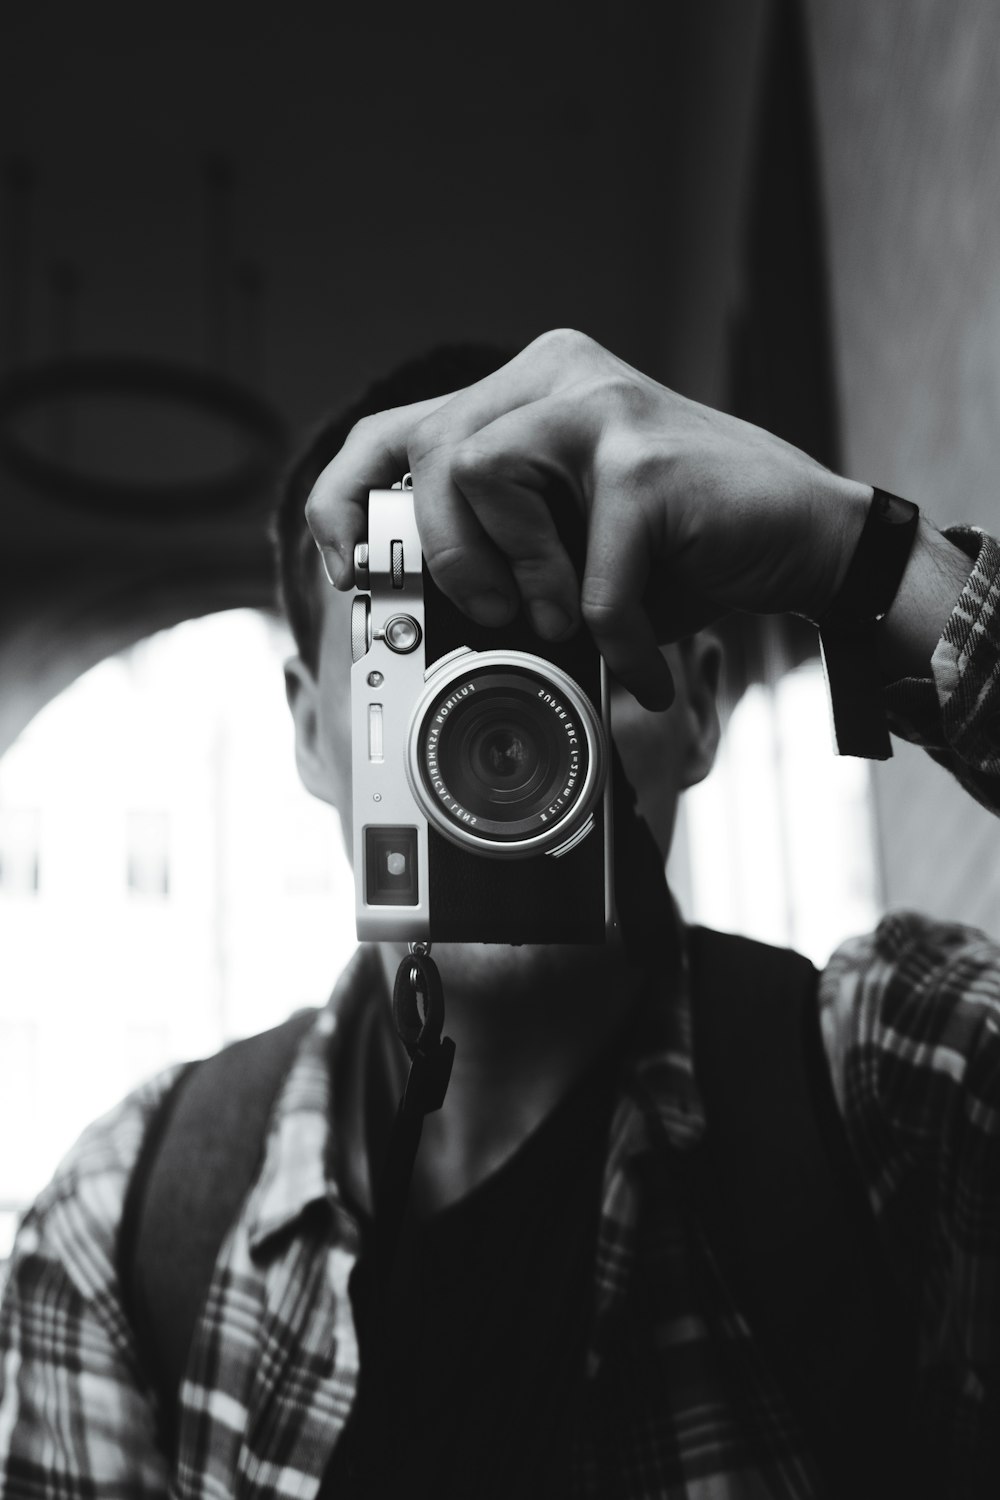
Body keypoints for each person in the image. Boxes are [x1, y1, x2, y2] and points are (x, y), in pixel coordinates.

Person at [0, 327, 998, 1498]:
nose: (494, 718)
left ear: (697, 710)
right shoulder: (126, 1225)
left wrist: (861, 559)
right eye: (414, 650)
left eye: (563, 641)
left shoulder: (890, 1081)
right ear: (316, 733)